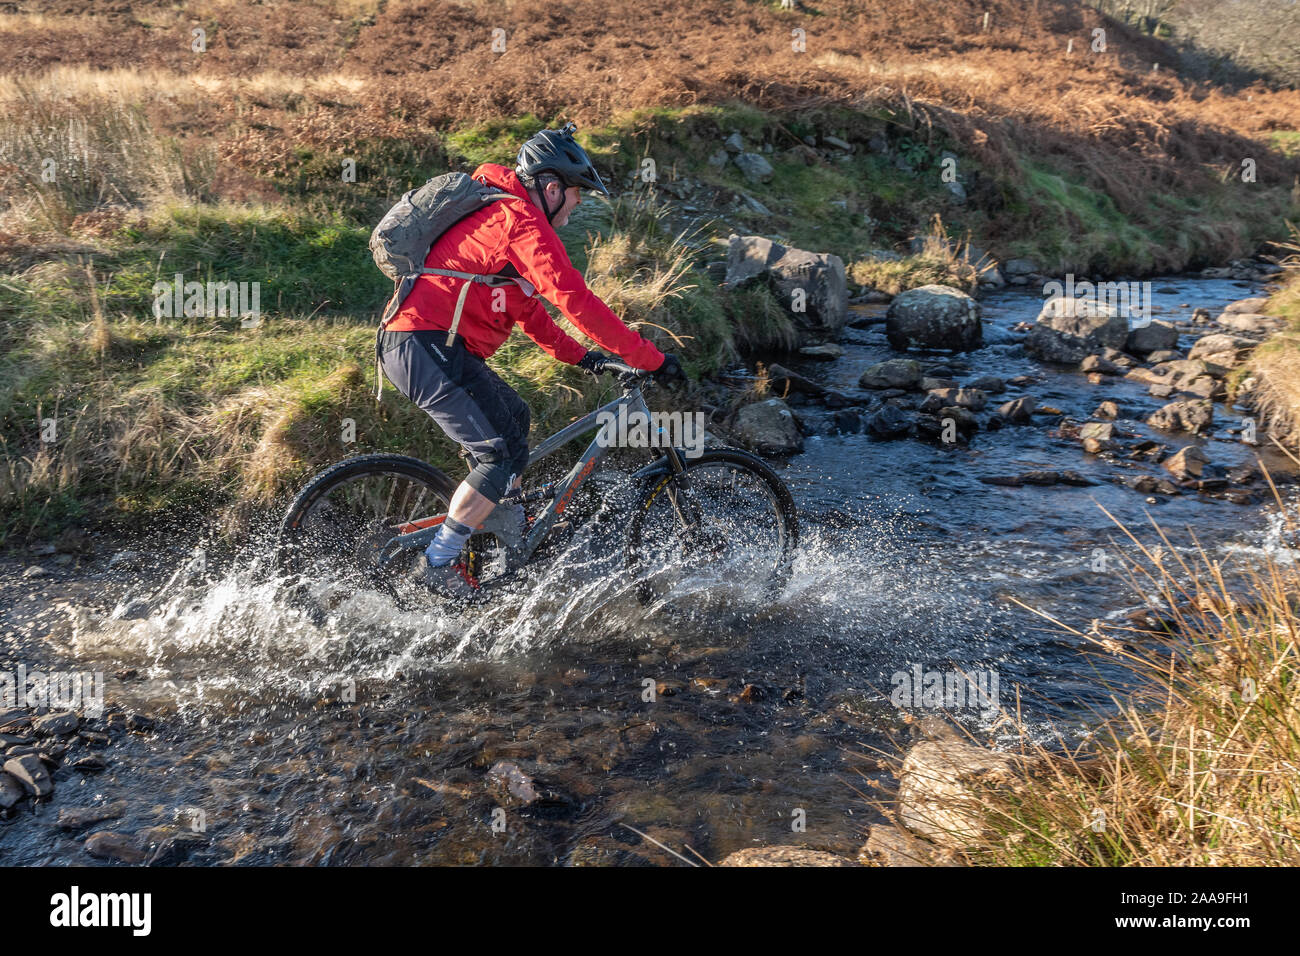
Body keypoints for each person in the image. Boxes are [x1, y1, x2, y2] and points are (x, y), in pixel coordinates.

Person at [377, 122, 685, 598]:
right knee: (498, 451)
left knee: (515, 419)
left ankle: (499, 514)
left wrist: (589, 360)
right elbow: (572, 298)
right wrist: (651, 359)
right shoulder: (518, 221)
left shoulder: (504, 224)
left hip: (433, 347)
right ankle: (437, 563)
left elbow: (532, 315)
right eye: (577, 193)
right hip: (424, 346)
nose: (579, 204)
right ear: (552, 187)